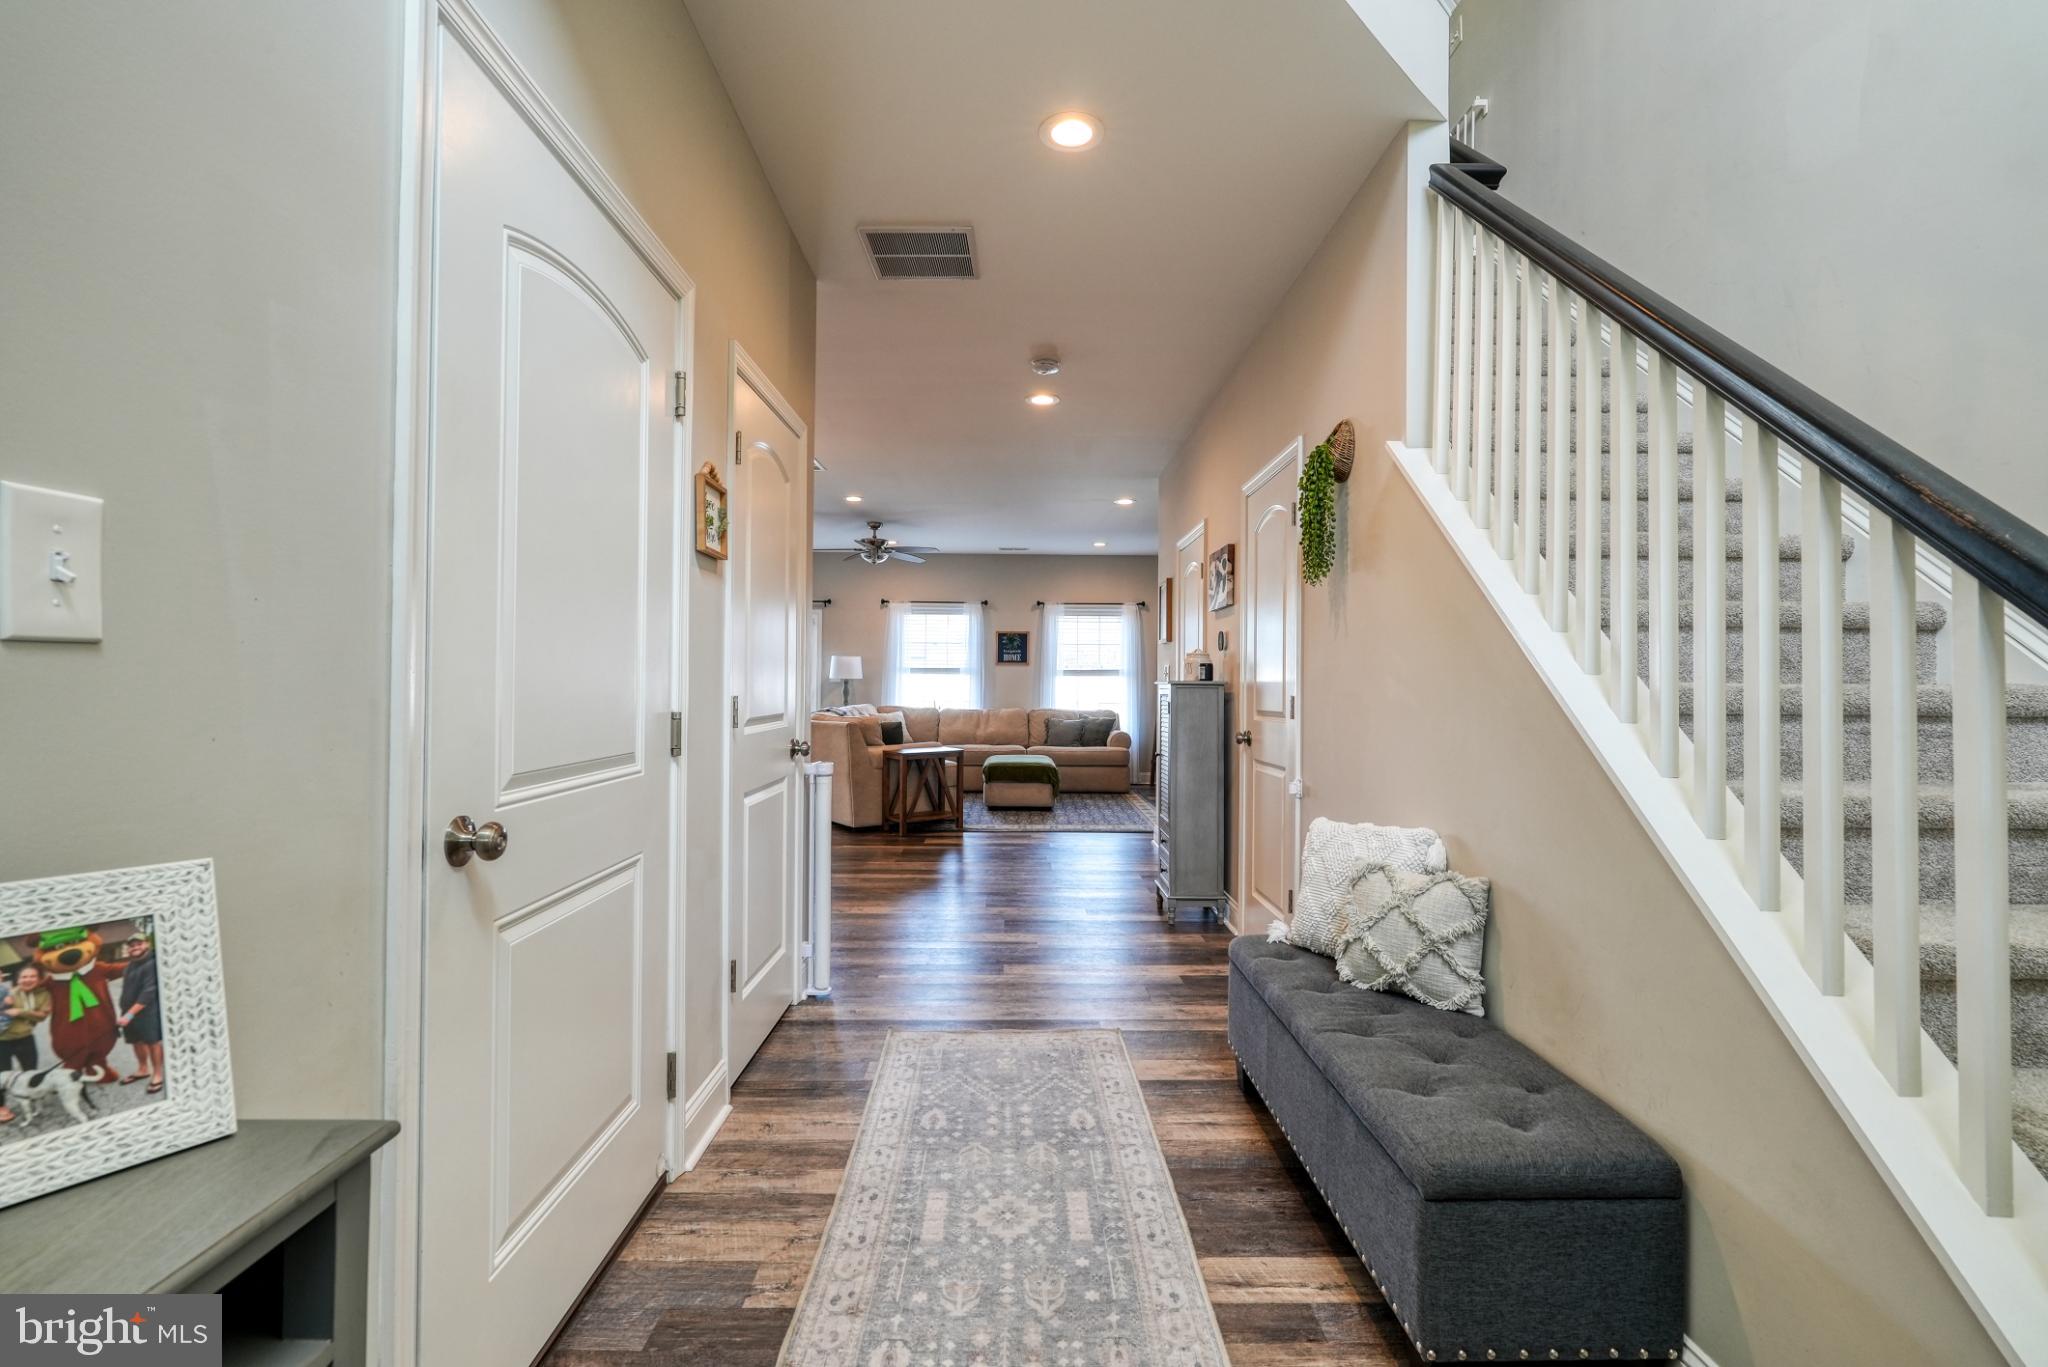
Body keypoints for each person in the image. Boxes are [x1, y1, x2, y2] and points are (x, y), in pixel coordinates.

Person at [0, 964, 52, 1124]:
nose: (28, 980)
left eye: (32, 976)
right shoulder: (8, 993)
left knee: (30, 1071)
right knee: (1, 1075)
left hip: (25, 1038)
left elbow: (42, 1016)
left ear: (39, 979)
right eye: (24, 977)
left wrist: (21, 1012)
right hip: (2, 1041)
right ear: (17, 979)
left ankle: (31, 1098)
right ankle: (1, 1107)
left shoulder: (43, 995)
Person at [114, 935, 164, 1094]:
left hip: (147, 1012)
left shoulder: (153, 964)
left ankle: (157, 1074)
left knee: (152, 1042)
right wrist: (126, 1012)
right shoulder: (130, 966)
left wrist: (128, 1015)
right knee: (136, 1041)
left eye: (139, 944)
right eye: (131, 945)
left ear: (147, 944)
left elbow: (148, 993)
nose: (135, 947)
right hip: (129, 1012)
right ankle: (143, 1069)